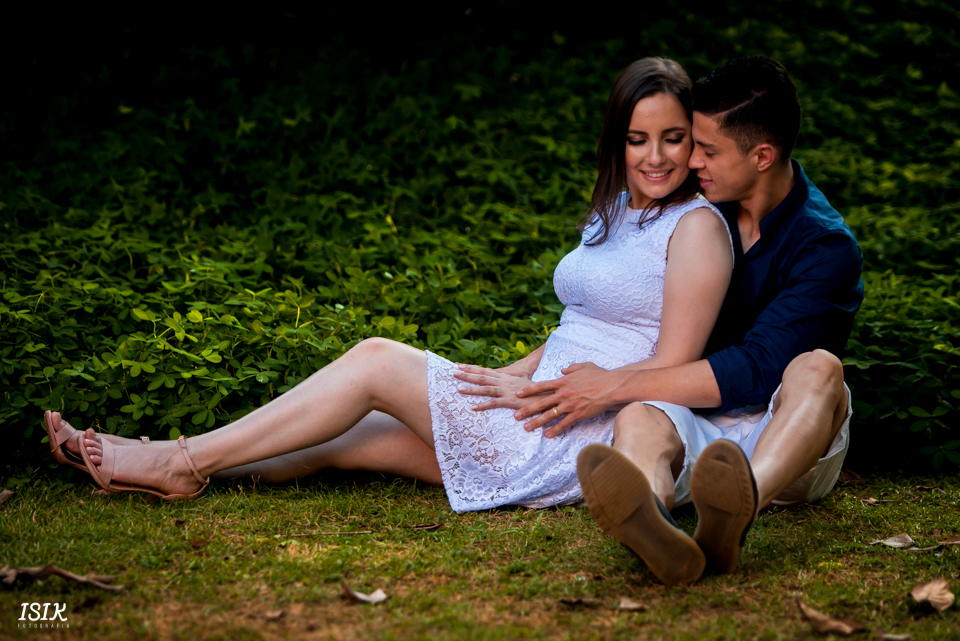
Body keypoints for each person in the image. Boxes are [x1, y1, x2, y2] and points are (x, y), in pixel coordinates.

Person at [44, 58, 735, 518]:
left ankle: (181, 458)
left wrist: (563, 391)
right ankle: (162, 463)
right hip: (535, 401)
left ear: (693, 143)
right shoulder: (618, 213)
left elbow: (673, 366)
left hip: (568, 427)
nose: (655, 156)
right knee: (342, 437)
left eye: (674, 139)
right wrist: (508, 373)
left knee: (375, 360)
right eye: (639, 138)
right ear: (617, 139)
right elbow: (579, 324)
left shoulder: (696, 228)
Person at [480, 56, 863, 586]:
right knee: (637, 417)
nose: (692, 161)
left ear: (762, 156)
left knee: (818, 368)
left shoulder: (824, 247)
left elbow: (757, 370)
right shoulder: (705, 208)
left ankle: (745, 498)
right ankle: (653, 520)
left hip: (789, 437)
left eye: (706, 150)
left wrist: (612, 383)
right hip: (703, 428)